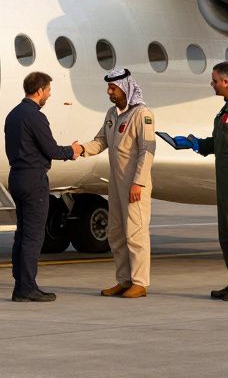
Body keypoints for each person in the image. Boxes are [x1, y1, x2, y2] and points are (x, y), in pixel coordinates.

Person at [177, 61, 228, 301]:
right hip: (225, 181)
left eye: (214, 80)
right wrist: (195, 144)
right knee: (226, 234)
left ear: (226, 81)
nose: (212, 84)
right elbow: (220, 143)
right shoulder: (227, 109)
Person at [77, 68, 156, 298]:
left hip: (134, 184)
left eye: (113, 88)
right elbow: (100, 141)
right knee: (116, 233)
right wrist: (79, 149)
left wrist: (138, 183)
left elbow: (147, 150)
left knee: (136, 232)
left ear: (125, 88)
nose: (109, 92)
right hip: (116, 183)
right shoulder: (112, 114)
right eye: (109, 88)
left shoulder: (142, 114)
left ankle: (140, 283)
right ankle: (124, 280)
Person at [4, 71, 83, 302]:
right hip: (33, 180)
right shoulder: (35, 116)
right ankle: (26, 288)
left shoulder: (13, 114)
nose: (49, 94)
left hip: (16, 176)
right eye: (48, 90)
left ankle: (21, 283)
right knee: (33, 237)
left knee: (22, 234)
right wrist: (72, 151)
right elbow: (51, 150)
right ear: (39, 90)